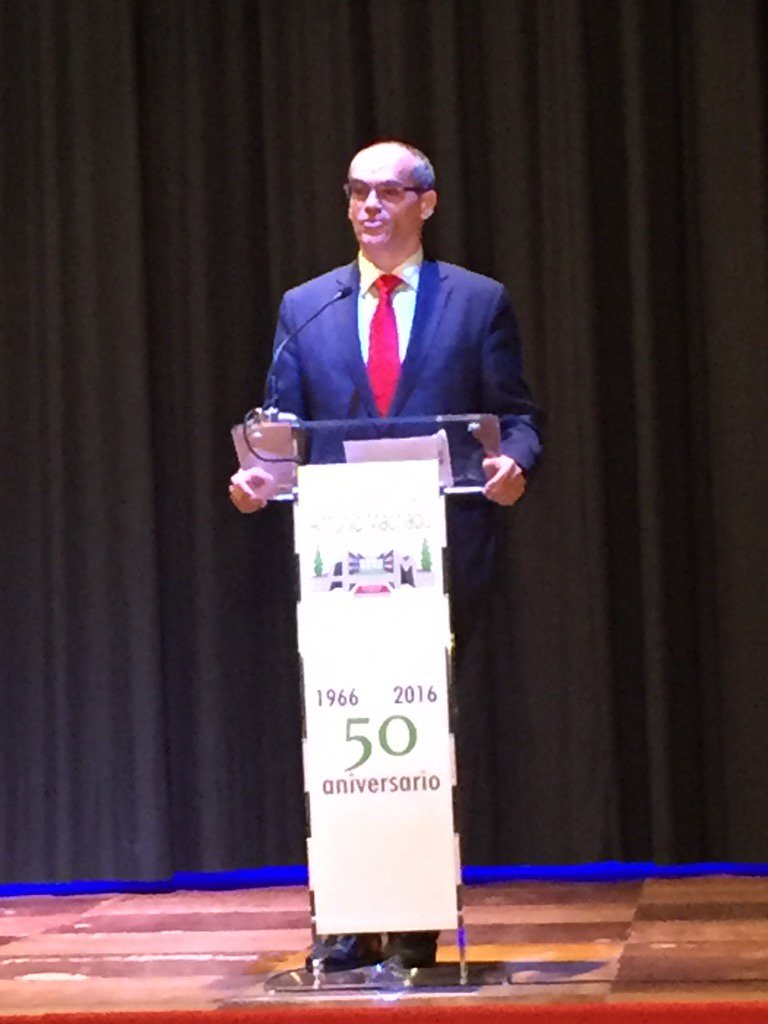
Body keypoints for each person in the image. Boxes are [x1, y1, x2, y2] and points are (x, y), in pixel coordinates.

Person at [230, 141, 542, 971]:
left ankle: (410, 923)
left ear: (425, 203)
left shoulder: (477, 301)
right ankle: (343, 917)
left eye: (387, 193)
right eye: (356, 193)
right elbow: (282, 429)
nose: (368, 207)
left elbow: (516, 418)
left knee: (415, 730)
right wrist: (259, 475)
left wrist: (513, 465)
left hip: (439, 555)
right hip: (338, 557)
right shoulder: (308, 306)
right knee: (339, 730)